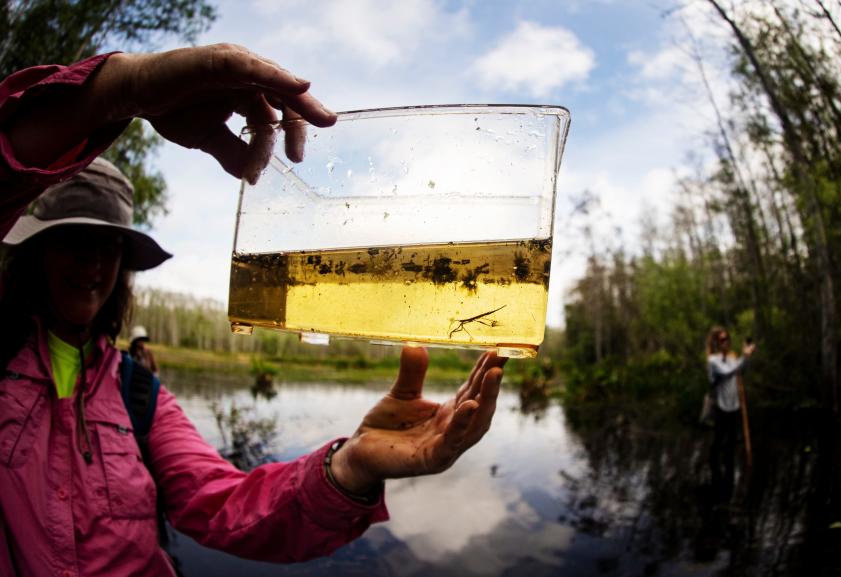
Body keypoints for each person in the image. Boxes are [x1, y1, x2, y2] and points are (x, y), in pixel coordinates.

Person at [0, 45, 506, 576]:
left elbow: (226, 508)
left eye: (110, 246)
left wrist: (349, 465)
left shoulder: (137, 393)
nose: (93, 263)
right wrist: (111, 93)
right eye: (74, 241)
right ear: (35, 253)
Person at [705, 326, 755, 497]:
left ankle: (729, 479)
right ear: (716, 343)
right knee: (718, 440)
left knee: (731, 442)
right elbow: (727, 373)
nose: (725, 342)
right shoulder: (713, 360)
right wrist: (745, 356)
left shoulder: (734, 357)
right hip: (721, 406)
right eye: (722, 339)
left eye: (727, 339)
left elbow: (741, 370)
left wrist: (747, 357)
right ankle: (714, 470)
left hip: (735, 406)